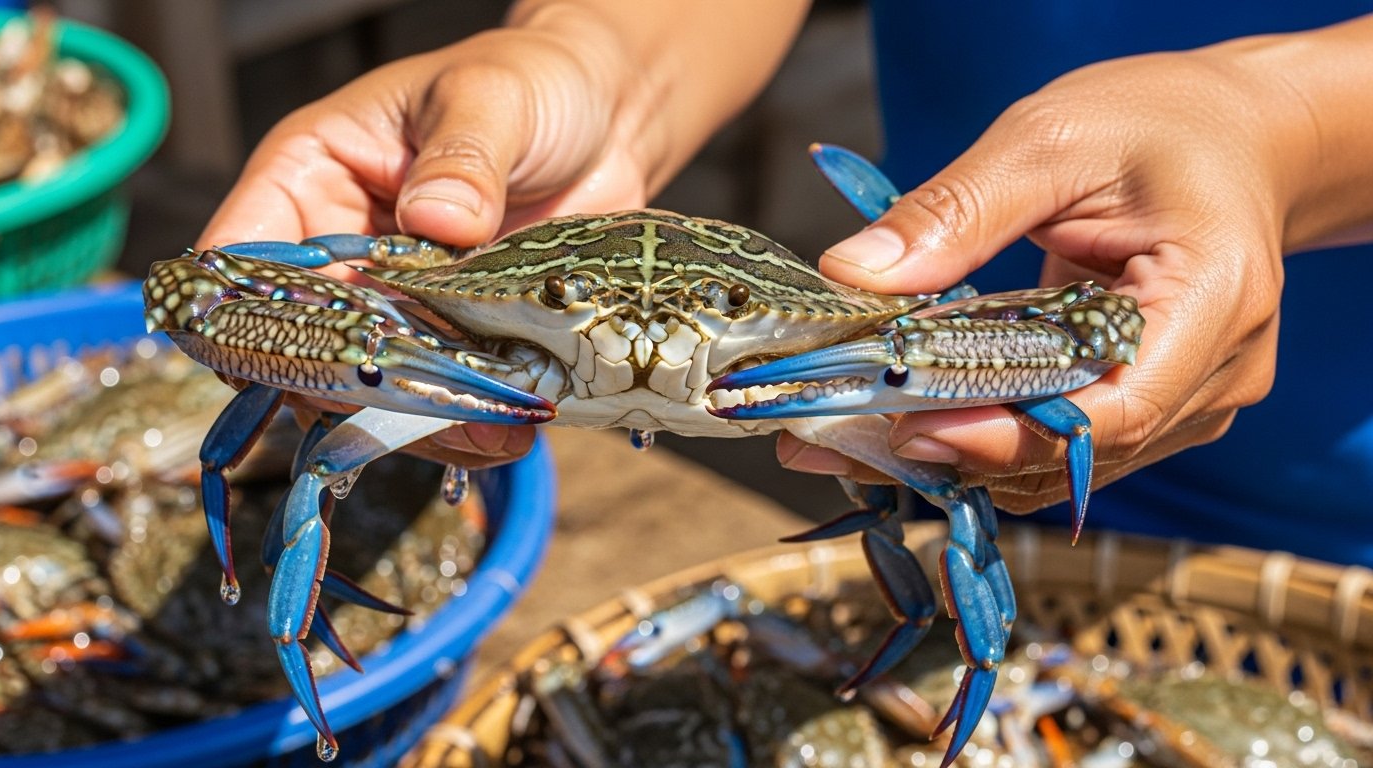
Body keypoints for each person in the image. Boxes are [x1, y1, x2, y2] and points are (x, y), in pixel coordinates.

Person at [198, 1, 1373, 566]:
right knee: (947, 487)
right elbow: (209, 295)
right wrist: (600, 51)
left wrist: (1291, 130)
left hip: (1340, 505)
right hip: (953, 451)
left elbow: (1091, 331)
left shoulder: (871, 359)